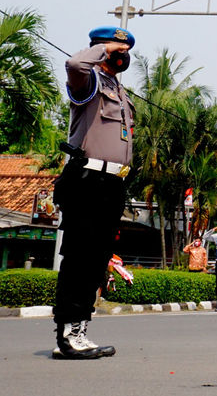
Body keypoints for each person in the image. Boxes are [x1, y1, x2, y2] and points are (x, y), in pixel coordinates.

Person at [51, 26, 135, 359]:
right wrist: (104, 50)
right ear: (100, 49)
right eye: (117, 50)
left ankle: (81, 328)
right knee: (78, 259)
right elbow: (74, 65)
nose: (122, 55)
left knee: (97, 261)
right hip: (86, 180)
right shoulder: (89, 82)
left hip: (112, 185)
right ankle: (68, 334)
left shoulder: (120, 89)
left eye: (126, 50)